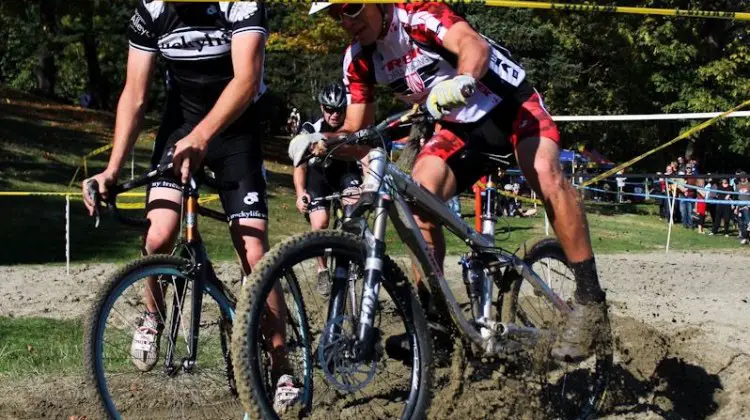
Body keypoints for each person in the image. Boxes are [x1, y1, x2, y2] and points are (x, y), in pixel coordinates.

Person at [293, 2, 608, 362]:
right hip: (460, 127)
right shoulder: (359, 59)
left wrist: (465, 78)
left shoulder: (418, 15)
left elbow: (474, 45)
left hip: (509, 106)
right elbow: (359, 134)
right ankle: (437, 324)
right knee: (418, 203)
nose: (346, 22)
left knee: (546, 175)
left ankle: (589, 300)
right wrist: (322, 143)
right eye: (336, 16)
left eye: (351, 9)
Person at [80, 1, 300, 412]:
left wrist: (203, 137)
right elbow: (135, 93)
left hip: (236, 130)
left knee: (253, 251)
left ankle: (282, 364)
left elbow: (247, 80)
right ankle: (153, 315)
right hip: (180, 125)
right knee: (160, 233)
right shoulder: (152, 9)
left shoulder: (241, 3)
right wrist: (111, 169)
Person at [293, 81, 362, 295]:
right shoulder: (310, 128)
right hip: (318, 178)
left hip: (345, 172)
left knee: (354, 204)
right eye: (329, 109)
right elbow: (299, 165)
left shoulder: (353, 124)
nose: (334, 115)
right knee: (320, 222)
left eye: (339, 110)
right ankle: (322, 270)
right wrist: (300, 193)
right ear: (322, 108)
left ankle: (354, 251)